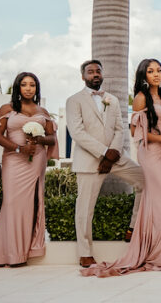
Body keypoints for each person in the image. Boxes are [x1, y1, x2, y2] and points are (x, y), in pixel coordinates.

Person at [81, 59, 161, 276]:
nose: (156, 74)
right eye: (150, 71)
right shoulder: (140, 98)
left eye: (159, 70)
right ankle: (159, 254)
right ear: (143, 75)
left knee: (158, 202)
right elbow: (136, 132)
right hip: (150, 154)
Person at [67, 60, 144, 268]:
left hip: (116, 156)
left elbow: (120, 128)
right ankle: (84, 252)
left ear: (103, 74)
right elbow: (77, 133)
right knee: (85, 208)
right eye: (90, 72)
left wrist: (113, 153)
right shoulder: (74, 101)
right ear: (83, 76)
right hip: (89, 160)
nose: (95, 74)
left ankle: (134, 227)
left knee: (145, 181)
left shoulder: (113, 99)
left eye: (98, 71)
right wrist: (103, 153)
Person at [0, 72, 58, 267]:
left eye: (32, 85)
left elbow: (52, 138)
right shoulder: (7, 108)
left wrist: (39, 139)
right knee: (12, 203)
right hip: (14, 160)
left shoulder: (43, 111)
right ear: (18, 87)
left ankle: (25, 252)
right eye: (24, 84)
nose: (28, 88)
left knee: (32, 203)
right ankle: (6, 253)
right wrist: (18, 148)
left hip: (36, 160)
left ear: (36, 88)